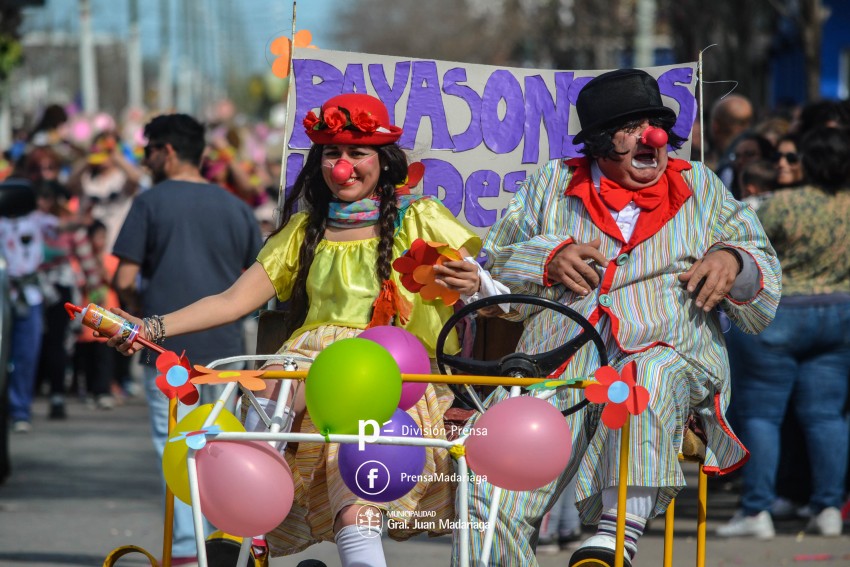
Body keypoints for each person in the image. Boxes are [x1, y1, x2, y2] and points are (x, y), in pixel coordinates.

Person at [108, 94, 497, 567]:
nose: (342, 167)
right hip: (306, 379)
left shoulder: (420, 220)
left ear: (384, 161)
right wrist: (152, 326)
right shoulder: (303, 229)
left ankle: (249, 531)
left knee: (357, 509)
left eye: (357, 153)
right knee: (274, 386)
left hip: (395, 383)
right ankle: (240, 525)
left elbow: (489, 293)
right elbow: (232, 301)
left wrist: (476, 282)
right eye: (332, 153)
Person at [453, 69, 781, 567]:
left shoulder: (700, 184)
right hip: (557, 366)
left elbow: (761, 258)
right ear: (602, 142)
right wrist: (546, 259)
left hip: (671, 356)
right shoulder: (552, 183)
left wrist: (733, 260)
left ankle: (615, 538)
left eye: (656, 125)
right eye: (631, 128)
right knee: (488, 478)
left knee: (644, 377)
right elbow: (494, 264)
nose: (651, 137)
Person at [110, 113, 264, 565]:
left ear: (168, 151)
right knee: (222, 449)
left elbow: (124, 277)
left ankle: (184, 552)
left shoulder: (149, 203)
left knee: (178, 449)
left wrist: (140, 313)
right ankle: (223, 547)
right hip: (227, 353)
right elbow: (256, 276)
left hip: (164, 354)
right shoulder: (235, 206)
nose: (145, 160)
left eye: (149, 150)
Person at [718, 125, 850, 540]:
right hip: (840, 314)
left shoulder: (782, 205)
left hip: (782, 314)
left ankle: (757, 509)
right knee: (826, 415)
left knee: (761, 415)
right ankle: (828, 507)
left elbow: (739, 242)